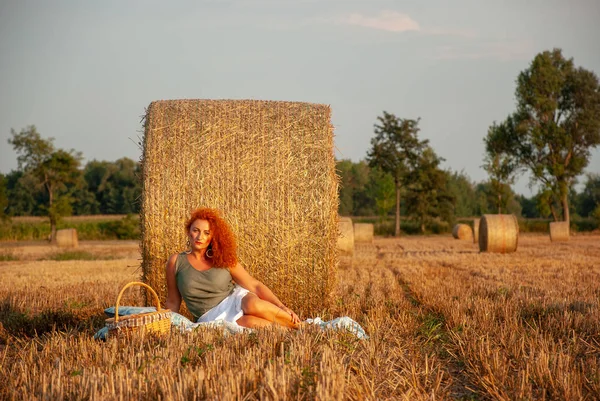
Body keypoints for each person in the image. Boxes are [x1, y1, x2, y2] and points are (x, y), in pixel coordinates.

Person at [165, 208, 301, 329]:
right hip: (209, 315)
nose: (200, 237)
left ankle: (302, 326)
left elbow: (255, 285)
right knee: (250, 322)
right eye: (196, 230)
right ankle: (292, 331)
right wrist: (165, 325)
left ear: (212, 237)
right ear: (189, 232)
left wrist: (281, 306)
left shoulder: (223, 258)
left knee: (253, 305)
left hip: (234, 299)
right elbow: (173, 301)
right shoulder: (176, 262)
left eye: (207, 233)